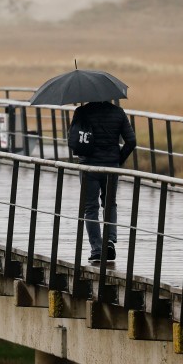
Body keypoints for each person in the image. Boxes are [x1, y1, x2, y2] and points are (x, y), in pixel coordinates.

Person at [67, 100, 136, 264]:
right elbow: (131, 141)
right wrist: (118, 159)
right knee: (110, 204)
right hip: (111, 167)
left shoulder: (82, 111)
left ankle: (97, 249)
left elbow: (73, 139)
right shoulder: (118, 112)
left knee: (90, 208)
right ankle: (110, 241)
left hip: (88, 167)